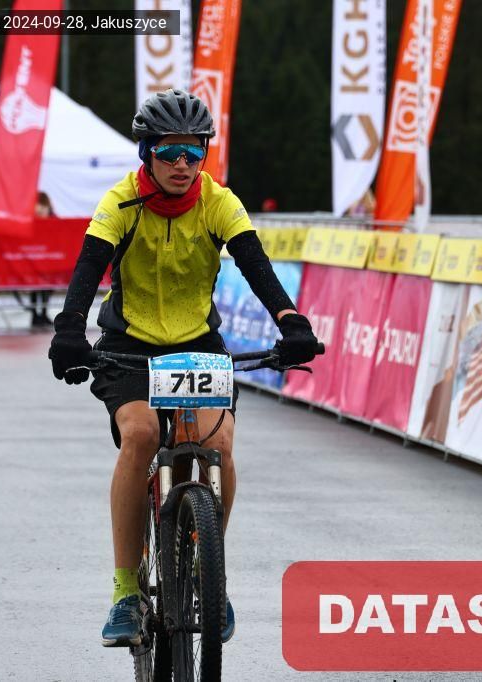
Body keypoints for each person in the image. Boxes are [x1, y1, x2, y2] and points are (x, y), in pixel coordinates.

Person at [47, 89, 320, 647]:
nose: (182, 164)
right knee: (142, 435)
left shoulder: (218, 202)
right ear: (146, 153)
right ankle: (125, 591)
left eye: (193, 153)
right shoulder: (120, 202)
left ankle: (206, 573)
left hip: (197, 344)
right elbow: (89, 267)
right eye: (169, 152)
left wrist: (290, 320)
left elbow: (256, 266)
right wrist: (70, 328)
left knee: (216, 445)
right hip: (130, 344)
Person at [29, 192, 55, 328]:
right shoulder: (29, 217)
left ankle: (43, 313)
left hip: (47, 258)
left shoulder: (52, 217)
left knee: (47, 286)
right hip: (33, 257)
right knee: (34, 287)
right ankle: (35, 315)